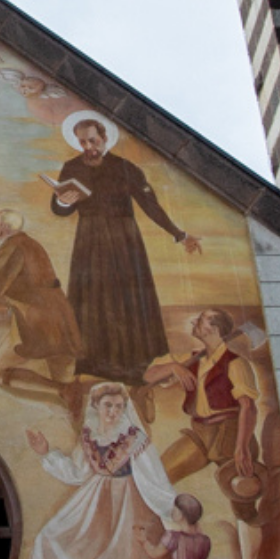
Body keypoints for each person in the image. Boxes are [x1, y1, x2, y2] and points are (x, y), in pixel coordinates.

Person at [50, 114, 202, 383]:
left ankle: (134, 363)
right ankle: (93, 362)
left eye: (93, 140)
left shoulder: (124, 168)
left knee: (126, 297)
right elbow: (59, 210)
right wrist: (64, 201)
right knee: (91, 298)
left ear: (105, 138)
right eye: (83, 142)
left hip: (124, 242)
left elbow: (150, 204)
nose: (88, 147)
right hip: (90, 241)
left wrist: (179, 234)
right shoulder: (72, 167)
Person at [23, 382, 177, 559]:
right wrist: (46, 453)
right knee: (63, 536)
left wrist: (171, 509)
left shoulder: (135, 439)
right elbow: (78, 473)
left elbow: (154, 477)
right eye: (108, 406)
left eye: (119, 407)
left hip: (130, 501)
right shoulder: (89, 437)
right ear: (95, 407)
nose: (113, 412)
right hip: (95, 498)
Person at [146, 309, 266, 559]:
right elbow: (149, 376)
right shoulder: (195, 360)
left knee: (243, 496)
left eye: (202, 320)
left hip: (230, 431)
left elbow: (248, 407)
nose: (195, 322)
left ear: (214, 328)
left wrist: (241, 448)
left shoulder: (236, 364)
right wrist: (174, 367)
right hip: (200, 432)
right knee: (155, 480)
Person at [0, 209, 80, 400]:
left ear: (6, 227)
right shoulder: (29, 243)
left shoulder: (14, 247)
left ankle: (62, 391)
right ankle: (67, 391)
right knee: (65, 374)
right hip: (60, 317)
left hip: (36, 319)